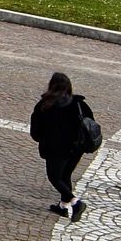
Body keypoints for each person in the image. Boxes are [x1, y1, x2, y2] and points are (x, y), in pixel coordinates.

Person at [29, 71, 94, 221]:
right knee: (65, 175)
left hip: (56, 148)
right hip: (77, 148)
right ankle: (63, 206)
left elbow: (36, 132)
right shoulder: (79, 104)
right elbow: (90, 123)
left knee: (54, 176)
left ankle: (75, 202)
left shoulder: (45, 105)